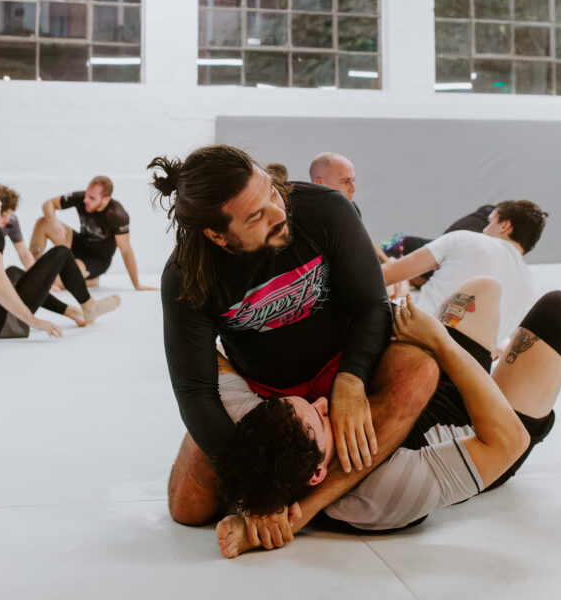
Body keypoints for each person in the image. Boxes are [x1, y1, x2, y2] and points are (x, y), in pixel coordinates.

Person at [215, 277, 561, 557]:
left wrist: (254, 515)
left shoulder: (263, 435)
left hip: (426, 395)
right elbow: (508, 441)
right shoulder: (381, 495)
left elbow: (217, 362)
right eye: (320, 418)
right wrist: (440, 343)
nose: (324, 403)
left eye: (305, 401)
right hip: (486, 426)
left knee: (483, 290)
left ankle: (494, 359)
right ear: (318, 475)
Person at [151, 145, 438, 535]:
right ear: (218, 236)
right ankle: (283, 488)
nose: (278, 213)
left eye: (272, 193)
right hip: (266, 397)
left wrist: (352, 379)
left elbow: (373, 306)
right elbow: (195, 391)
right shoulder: (185, 275)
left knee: (418, 371)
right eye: (257, 216)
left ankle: (304, 508)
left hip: (342, 361)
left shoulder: (325, 209)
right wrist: (255, 490)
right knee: (189, 508)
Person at [0, 175, 120, 339]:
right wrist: (33, 320)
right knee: (61, 253)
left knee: (13, 272)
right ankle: (89, 306)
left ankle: (69, 310)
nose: (0, 204)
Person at [383, 200, 544, 344]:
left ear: (505, 225)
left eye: (490, 222)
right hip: (463, 364)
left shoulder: (466, 239)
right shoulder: (530, 288)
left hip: (410, 336)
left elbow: (386, 274)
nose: (484, 230)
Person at [309, 151, 408, 300]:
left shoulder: (350, 208)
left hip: (366, 270)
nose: (353, 189)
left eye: (353, 181)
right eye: (345, 182)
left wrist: (390, 266)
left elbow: (366, 243)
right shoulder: (311, 218)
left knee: (400, 273)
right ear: (319, 183)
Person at [30, 176, 152, 290]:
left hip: (97, 259)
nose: (86, 200)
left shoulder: (117, 215)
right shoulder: (82, 198)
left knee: (57, 280)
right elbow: (48, 203)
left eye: (92, 198)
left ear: (105, 200)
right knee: (43, 222)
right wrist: (53, 221)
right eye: (87, 194)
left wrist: (137, 284)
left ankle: (91, 281)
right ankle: (30, 271)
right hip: (80, 244)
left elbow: (126, 250)